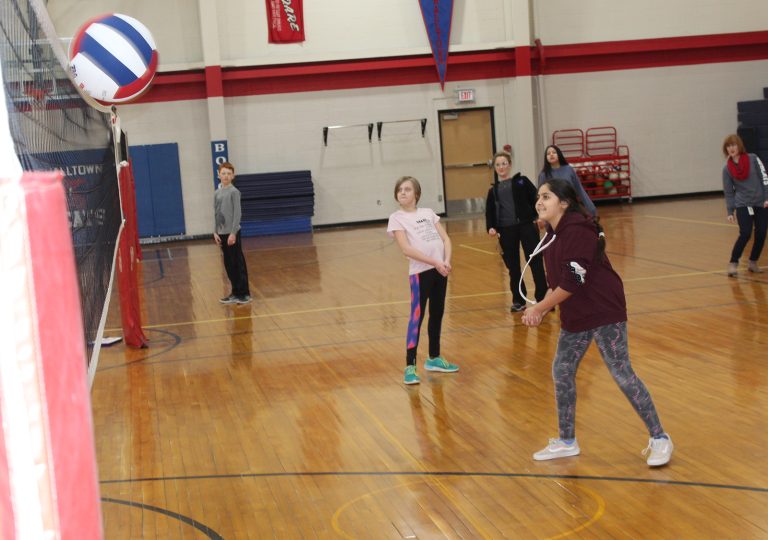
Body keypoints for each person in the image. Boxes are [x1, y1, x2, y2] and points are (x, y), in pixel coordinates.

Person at [521, 178, 673, 467]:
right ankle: (567, 441)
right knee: (562, 371)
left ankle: (660, 438)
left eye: (547, 196)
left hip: (604, 310)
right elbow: (559, 284)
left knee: (621, 373)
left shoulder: (577, 230)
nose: (539, 202)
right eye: (539, 197)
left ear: (563, 203)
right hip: (577, 313)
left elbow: (573, 281)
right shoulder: (552, 236)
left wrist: (539, 309)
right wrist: (541, 307)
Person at [387, 176, 459, 385]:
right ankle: (410, 365)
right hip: (420, 273)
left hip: (440, 270)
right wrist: (435, 262)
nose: (402, 192)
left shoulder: (428, 213)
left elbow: (445, 239)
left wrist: (445, 261)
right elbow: (406, 249)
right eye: (399, 189)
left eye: (407, 189)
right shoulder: (397, 218)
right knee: (416, 317)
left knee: (437, 313)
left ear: (416, 194)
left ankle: (434, 358)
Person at [485, 150, 547, 311]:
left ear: (510, 165)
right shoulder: (494, 190)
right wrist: (491, 227)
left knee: (535, 260)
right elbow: (489, 212)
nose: (501, 167)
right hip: (506, 231)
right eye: (498, 165)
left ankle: (543, 298)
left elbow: (536, 198)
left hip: (527, 225)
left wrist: (540, 216)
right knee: (513, 266)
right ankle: (519, 300)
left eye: (504, 163)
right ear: (495, 168)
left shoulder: (522, 181)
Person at [721, 134, 768, 277]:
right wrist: (730, 211)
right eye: (728, 146)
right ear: (726, 149)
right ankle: (733, 263)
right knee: (746, 233)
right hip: (743, 204)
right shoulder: (727, 169)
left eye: (734, 145)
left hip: (760, 202)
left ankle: (753, 262)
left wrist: (767, 197)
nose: (731, 148)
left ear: (739, 145)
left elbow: (764, 177)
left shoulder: (753, 158)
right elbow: (729, 192)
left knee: (761, 233)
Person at [213, 162, 251, 304]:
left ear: (233, 176)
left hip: (232, 233)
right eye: (223, 173)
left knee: (237, 262)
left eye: (229, 173)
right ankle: (235, 292)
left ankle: (244, 293)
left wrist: (233, 233)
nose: (226, 176)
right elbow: (216, 213)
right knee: (228, 264)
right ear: (219, 175)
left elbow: (237, 214)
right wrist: (215, 231)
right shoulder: (216, 193)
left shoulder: (234, 192)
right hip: (221, 233)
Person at [538, 144, 597, 217]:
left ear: (559, 154)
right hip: (554, 211)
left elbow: (579, 189)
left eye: (554, 152)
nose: (551, 155)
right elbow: (541, 197)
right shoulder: (543, 175)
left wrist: (590, 207)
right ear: (546, 158)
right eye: (548, 154)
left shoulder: (569, 169)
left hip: (571, 207)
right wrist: (541, 214)